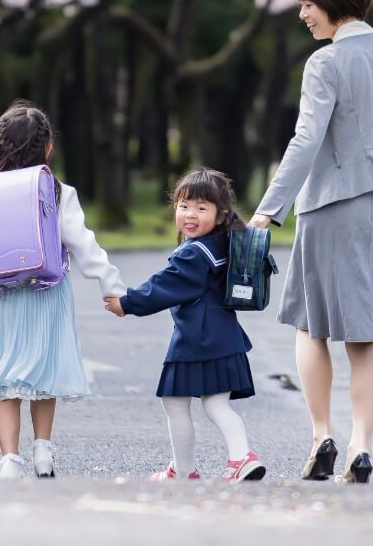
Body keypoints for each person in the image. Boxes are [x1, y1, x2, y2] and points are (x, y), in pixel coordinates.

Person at [250, 0, 373, 484]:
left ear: (330, 0)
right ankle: (360, 447)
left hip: (330, 207)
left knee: (312, 327)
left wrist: (269, 210)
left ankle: (321, 435)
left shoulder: (325, 63)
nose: (304, 14)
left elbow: (306, 140)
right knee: (366, 336)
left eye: (307, 3)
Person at [0, 103, 112, 479]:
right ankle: (43, 449)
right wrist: (110, 286)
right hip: (47, 292)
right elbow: (82, 243)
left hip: (2, 294)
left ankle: (9, 458)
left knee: (4, 376)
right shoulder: (58, 191)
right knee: (45, 372)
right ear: (48, 148)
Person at [116, 168, 272, 481]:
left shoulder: (194, 254)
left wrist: (127, 302)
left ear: (220, 215)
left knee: (176, 401)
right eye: (184, 206)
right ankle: (239, 457)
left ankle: (188, 470)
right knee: (216, 404)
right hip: (225, 339)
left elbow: (165, 286)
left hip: (197, 341)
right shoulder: (220, 244)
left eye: (202, 208)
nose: (190, 214)